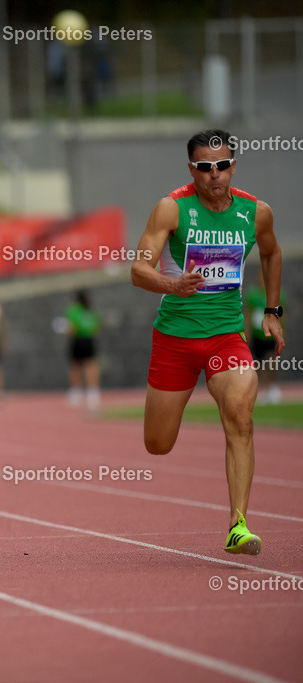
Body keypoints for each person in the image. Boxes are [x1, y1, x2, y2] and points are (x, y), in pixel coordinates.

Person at [131, 129, 283, 556]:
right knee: (157, 444)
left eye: (221, 165)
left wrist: (273, 311)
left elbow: (271, 253)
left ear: (233, 165)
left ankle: (238, 524)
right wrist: (171, 284)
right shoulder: (172, 209)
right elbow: (138, 270)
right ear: (192, 169)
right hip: (175, 340)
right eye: (204, 167)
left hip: (226, 338)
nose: (214, 175)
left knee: (240, 416)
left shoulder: (256, 213)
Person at [245, 270, 285, 405]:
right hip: (257, 334)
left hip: (270, 334)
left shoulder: (275, 296)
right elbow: (248, 314)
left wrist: (281, 331)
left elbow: (282, 314)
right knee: (260, 363)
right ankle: (265, 388)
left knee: (270, 360)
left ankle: (273, 388)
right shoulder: (253, 294)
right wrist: (247, 333)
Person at [64, 290, 101, 411]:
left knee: (75, 366)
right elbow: (96, 327)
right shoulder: (90, 310)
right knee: (91, 365)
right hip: (89, 340)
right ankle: (93, 391)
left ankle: (76, 391)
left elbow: (72, 328)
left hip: (78, 340)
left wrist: (66, 332)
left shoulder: (74, 310)